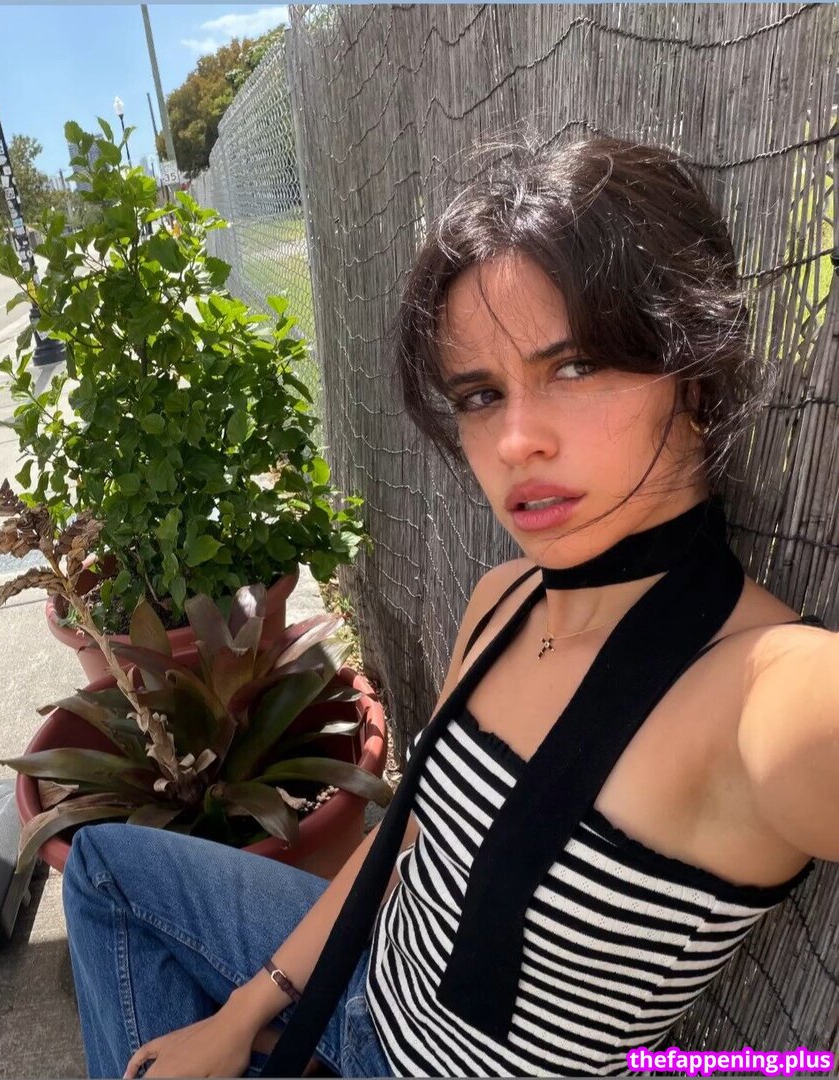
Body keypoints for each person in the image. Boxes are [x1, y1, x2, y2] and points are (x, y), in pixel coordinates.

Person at [61, 136, 838, 1078]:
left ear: (695, 377)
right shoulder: (502, 600)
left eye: (574, 367)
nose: (513, 440)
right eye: (479, 394)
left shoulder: (763, 690)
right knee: (101, 865)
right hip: (361, 991)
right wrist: (247, 1009)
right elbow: (408, 833)